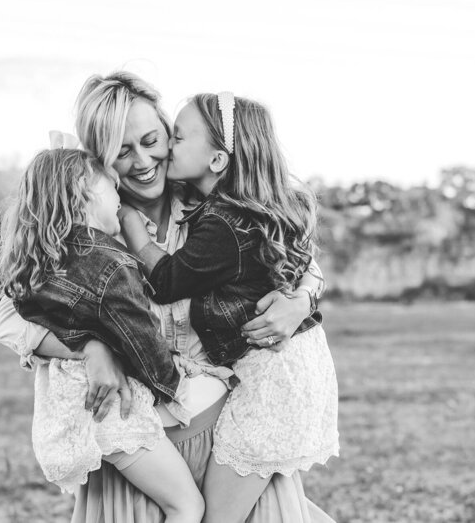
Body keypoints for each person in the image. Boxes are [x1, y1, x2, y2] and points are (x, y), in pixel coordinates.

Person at [0, 72, 335, 522]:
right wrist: (90, 346)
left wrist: (302, 301)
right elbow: (10, 318)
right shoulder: (85, 232)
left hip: (225, 432)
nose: (143, 161)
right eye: (122, 151)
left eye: (153, 140)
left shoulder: (218, 207)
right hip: (142, 451)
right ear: (99, 160)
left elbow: (297, 257)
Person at [120, 92, 339, 523]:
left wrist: (133, 230)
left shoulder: (224, 220)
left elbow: (165, 281)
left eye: (174, 138)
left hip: (271, 384)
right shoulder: (251, 207)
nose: (163, 149)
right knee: (274, 507)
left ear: (218, 161)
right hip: (278, 376)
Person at [0, 145, 204, 522]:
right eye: (112, 189)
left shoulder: (39, 260)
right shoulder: (114, 263)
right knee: (186, 506)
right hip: (115, 412)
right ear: (84, 192)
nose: (120, 200)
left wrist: (85, 342)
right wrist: (174, 387)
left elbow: (27, 310)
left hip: (69, 407)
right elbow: (141, 339)